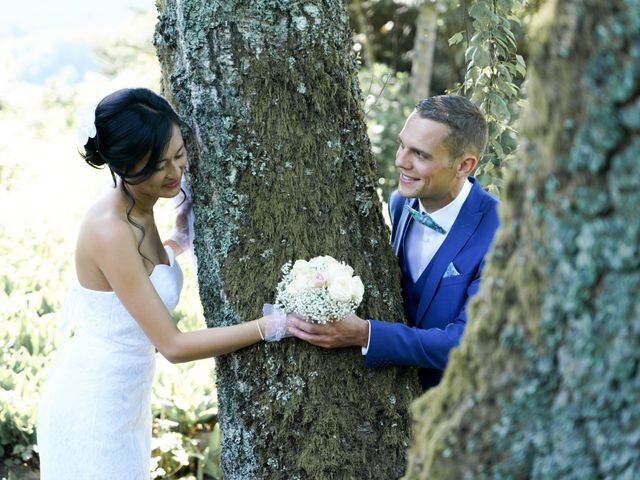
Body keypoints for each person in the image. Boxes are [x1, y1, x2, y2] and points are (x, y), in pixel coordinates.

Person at [36, 88, 290, 479]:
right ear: (124, 164)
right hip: (93, 404)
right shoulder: (110, 229)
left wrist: (177, 239)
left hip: (125, 399)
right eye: (158, 165)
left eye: (178, 154)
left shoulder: (136, 203)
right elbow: (172, 345)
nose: (174, 173)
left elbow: (138, 273)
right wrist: (273, 326)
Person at [289, 95, 499, 390]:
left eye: (420, 155)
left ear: (464, 165)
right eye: (403, 145)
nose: (400, 161)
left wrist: (366, 334)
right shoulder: (400, 203)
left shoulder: (504, 232)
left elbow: (470, 343)